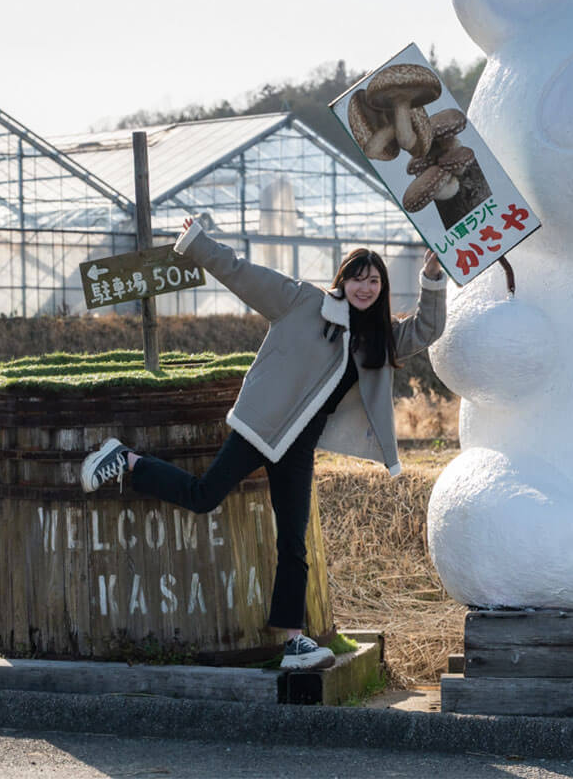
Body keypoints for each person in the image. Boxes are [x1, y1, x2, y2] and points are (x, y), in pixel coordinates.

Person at [78, 217, 446, 670]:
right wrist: (198, 244)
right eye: (357, 278)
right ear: (342, 280)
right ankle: (128, 460)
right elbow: (242, 274)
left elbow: (427, 330)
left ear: (382, 288)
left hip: (298, 446)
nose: (364, 288)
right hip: (260, 427)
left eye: (373, 281)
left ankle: (295, 641)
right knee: (203, 496)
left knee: (293, 541)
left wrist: (431, 280)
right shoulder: (303, 302)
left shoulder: (379, 337)